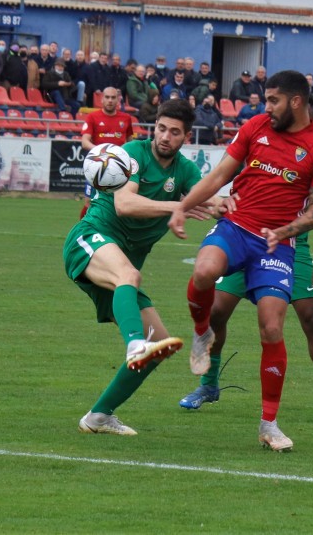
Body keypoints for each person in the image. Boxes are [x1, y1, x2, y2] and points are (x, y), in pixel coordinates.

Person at [168, 70, 313, 452]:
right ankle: (202, 335)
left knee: (272, 328)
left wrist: (285, 232)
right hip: (236, 227)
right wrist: (183, 207)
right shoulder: (256, 127)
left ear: (296, 101)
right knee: (204, 271)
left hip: (277, 245)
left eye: (274, 100)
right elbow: (218, 176)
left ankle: (269, 424)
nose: (266, 107)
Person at [64, 99, 213, 436]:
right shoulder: (133, 152)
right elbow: (125, 203)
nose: (165, 136)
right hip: (91, 239)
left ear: (185, 137)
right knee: (129, 277)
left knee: (158, 345)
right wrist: (180, 205)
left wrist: (225, 204)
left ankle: (99, 416)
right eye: (161, 128)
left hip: (118, 262)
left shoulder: (186, 171)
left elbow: (211, 197)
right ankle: (133, 342)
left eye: (174, 132)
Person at [77, 86, 135, 218]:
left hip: (118, 168)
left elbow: (130, 142)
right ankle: (83, 231)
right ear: (102, 99)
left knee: (119, 203)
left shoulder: (126, 118)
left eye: (113, 97)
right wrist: (103, 154)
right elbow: (85, 142)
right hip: (97, 166)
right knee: (89, 202)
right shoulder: (93, 117)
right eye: (107, 97)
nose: (110, 100)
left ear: (118, 100)